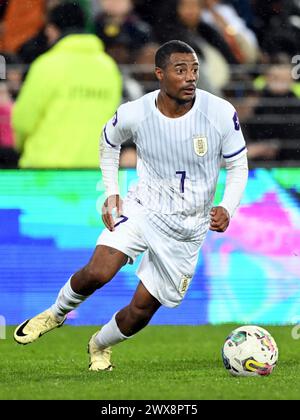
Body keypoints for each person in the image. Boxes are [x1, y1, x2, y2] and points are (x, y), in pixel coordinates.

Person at [14, 40, 248, 371]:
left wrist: (227, 206)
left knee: (141, 310)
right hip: (143, 208)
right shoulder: (136, 112)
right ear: (159, 74)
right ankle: (56, 313)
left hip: (188, 228)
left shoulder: (220, 113)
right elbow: (107, 141)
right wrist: (112, 192)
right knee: (98, 270)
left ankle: (99, 344)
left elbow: (238, 166)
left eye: (194, 70)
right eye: (180, 70)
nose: (190, 78)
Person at [13, 2, 122, 168]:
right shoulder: (109, 67)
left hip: (45, 171)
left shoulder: (47, 65)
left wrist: (20, 146)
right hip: (95, 171)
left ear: (52, 29)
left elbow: (23, 121)